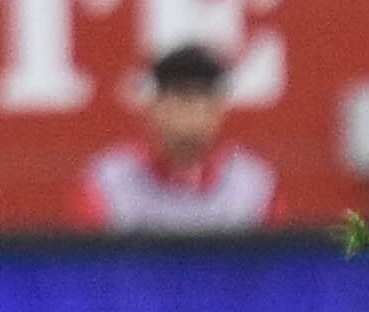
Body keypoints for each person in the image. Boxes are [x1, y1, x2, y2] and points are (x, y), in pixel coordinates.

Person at [82, 41, 277, 230]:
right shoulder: (110, 182)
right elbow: (84, 258)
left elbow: (279, 259)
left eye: (202, 94)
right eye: (179, 93)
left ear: (219, 109)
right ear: (153, 107)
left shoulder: (252, 185)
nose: (191, 106)